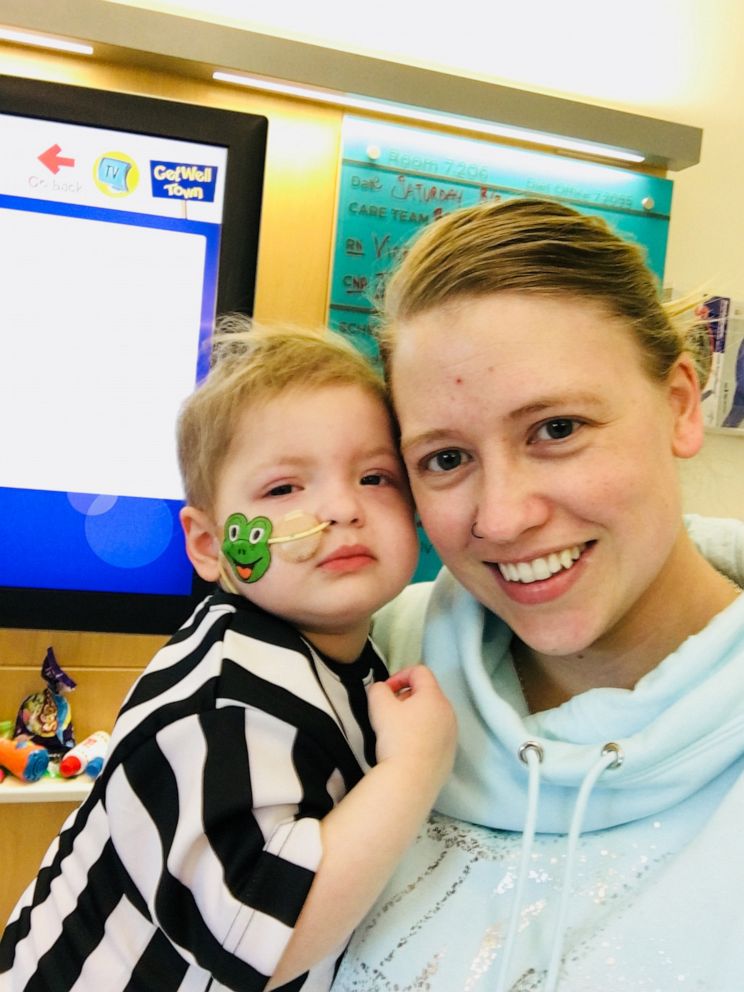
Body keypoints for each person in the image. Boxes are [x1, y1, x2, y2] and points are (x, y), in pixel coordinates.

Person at [332, 198, 744, 991]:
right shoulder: (355, 667)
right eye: (446, 459)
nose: (503, 516)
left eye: (556, 429)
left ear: (680, 405)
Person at [0, 321, 456, 992]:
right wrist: (416, 766)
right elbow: (262, 936)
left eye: (375, 476)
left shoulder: (355, 654)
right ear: (210, 544)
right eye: (283, 490)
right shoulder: (219, 699)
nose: (340, 507)